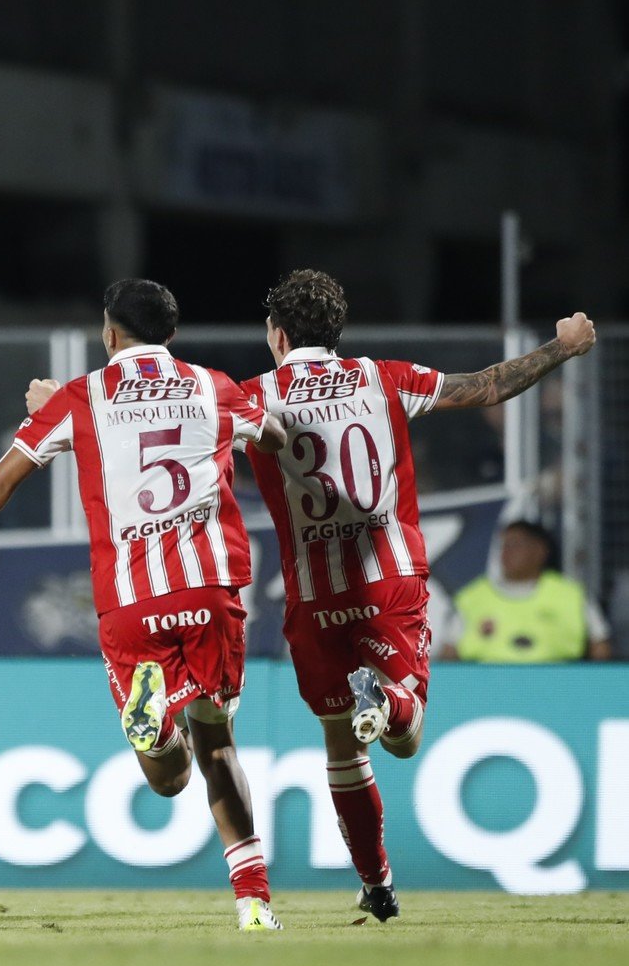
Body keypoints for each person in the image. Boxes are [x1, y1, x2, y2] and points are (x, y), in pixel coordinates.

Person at [0, 279, 288, 932]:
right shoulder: (213, 385)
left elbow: (0, 479)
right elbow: (275, 437)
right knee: (217, 742)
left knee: (166, 776)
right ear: (170, 333)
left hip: (129, 599)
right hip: (207, 586)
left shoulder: (80, 397)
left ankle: (156, 725)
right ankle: (252, 903)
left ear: (109, 333)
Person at [234, 269, 596, 922]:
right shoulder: (381, 377)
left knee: (341, 749)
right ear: (335, 331)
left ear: (277, 334)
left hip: (314, 593)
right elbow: (485, 385)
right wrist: (560, 348)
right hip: (387, 579)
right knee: (402, 736)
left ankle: (377, 886)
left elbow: (160, 432)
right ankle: (392, 697)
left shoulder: (252, 396)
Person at [443, 520, 611, 663]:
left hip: (559, 689)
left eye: (515, 545)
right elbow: (449, 654)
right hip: (486, 691)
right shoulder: (470, 598)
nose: (506, 552)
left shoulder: (572, 596)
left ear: (540, 551)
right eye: (504, 545)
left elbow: (601, 648)